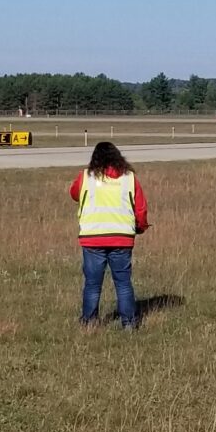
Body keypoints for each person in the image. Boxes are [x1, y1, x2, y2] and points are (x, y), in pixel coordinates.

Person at [68, 140, 149, 327]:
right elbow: (140, 207)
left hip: (92, 238)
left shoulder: (86, 177)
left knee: (93, 284)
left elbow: (74, 193)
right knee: (123, 283)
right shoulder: (129, 178)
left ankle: (89, 322)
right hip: (122, 238)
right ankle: (128, 323)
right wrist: (141, 226)